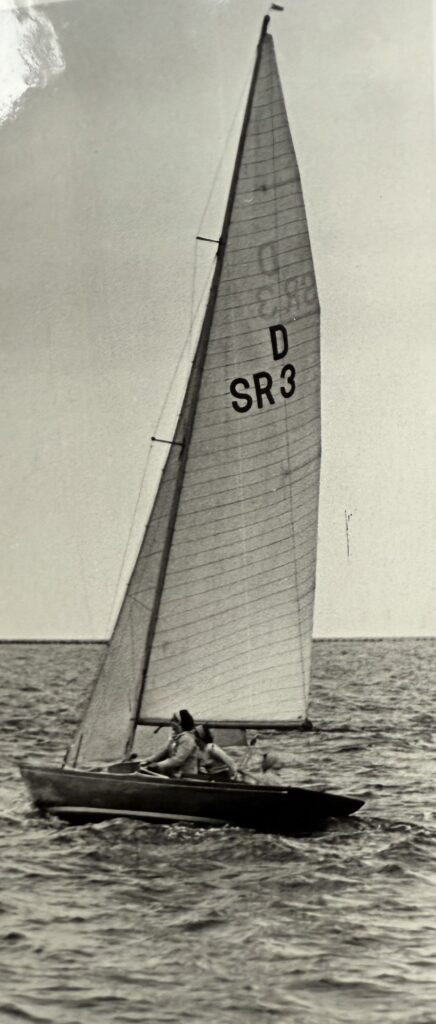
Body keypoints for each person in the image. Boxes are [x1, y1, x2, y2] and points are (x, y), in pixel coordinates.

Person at [141, 709, 199, 778]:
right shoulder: (175, 737)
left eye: (173, 720)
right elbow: (163, 752)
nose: (171, 722)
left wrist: (158, 765)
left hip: (186, 777)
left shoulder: (187, 738)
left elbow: (178, 760)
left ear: (179, 723)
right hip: (175, 776)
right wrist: (147, 761)